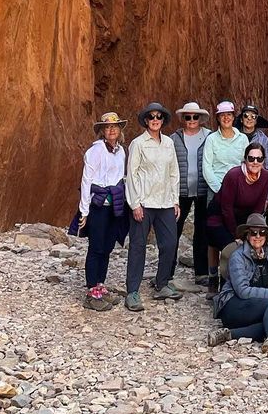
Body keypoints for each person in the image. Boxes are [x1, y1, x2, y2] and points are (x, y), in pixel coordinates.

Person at [208, 214, 268, 353]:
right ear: (247, 235)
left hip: (254, 305)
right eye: (253, 233)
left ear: (266, 236)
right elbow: (242, 291)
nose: (258, 236)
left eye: (262, 232)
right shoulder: (237, 256)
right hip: (233, 305)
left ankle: (229, 334)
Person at [123, 102, 182, 311]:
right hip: (144, 203)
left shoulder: (168, 143)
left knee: (169, 244)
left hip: (165, 202)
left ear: (163, 120)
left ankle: (162, 283)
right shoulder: (138, 144)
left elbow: (174, 173)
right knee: (138, 246)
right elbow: (132, 175)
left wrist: (175, 200)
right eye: (151, 117)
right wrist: (135, 203)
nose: (155, 120)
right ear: (146, 121)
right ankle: (132, 292)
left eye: (159, 117)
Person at [77, 112, 129, 311]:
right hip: (98, 205)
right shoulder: (95, 151)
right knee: (96, 247)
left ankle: (100, 284)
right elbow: (86, 180)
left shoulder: (121, 151)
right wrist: (84, 211)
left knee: (107, 246)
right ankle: (91, 290)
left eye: (115, 127)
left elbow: (119, 177)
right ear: (103, 131)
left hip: (114, 204)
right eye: (108, 127)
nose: (112, 130)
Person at [207, 141, 268, 282]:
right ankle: (215, 279)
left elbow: (258, 208)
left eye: (259, 159)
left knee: (252, 245)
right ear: (245, 159)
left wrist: (251, 231)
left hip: (245, 217)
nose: (255, 162)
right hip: (220, 216)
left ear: (263, 160)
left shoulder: (266, 176)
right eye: (251, 158)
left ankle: (248, 281)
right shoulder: (233, 175)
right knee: (232, 249)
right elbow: (226, 208)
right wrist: (237, 235)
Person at [202, 101, 250, 285]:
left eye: (229, 114)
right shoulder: (212, 139)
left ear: (233, 116)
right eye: (223, 115)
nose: (226, 118)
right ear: (218, 118)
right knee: (214, 236)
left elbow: (245, 164)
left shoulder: (242, 139)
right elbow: (207, 166)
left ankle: (237, 274)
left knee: (237, 232)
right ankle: (213, 276)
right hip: (216, 192)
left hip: (238, 193)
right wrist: (220, 189)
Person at [171, 101, 211, 285]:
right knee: (174, 230)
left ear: (200, 118)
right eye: (188, 117)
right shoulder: (174, 139)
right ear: (183, 118)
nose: (192, 120)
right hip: (181, 190)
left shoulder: (210, 137)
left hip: (203, 189)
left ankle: (201, 272)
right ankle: (167, 271)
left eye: (195, 117)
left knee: (202, 231)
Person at [235, 104, 268, 209]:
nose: (249, 118)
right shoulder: (234, 137)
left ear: (257, 120)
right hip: (237, 187)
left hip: (257, 187)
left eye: (253, 116)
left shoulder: (263, 140)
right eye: (246, 116)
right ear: (241, 119)